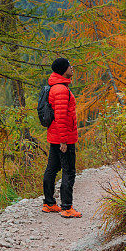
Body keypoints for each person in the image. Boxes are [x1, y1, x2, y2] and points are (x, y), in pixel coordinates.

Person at [41, 57, 81, 218]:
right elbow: (61, 116)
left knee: (52, 169)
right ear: (64, 69)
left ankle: (49, 204)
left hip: (55, 135)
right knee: (68, 171)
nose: (72, 68)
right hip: (63, 137)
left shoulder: (56, 87)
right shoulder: (61, 91)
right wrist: (64, 140)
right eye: (69, 66)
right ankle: (66, 207)